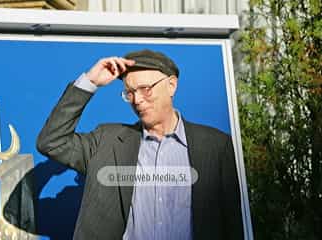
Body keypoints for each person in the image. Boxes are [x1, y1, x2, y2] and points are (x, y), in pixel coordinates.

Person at [36, 49, 244, 240]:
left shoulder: (216, 146)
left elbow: (233, 224)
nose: (137, 100)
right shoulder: (106, 141)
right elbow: (52, 142)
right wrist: (90, 82)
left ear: (171, 85)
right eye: (130, 92)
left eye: (145, 89)